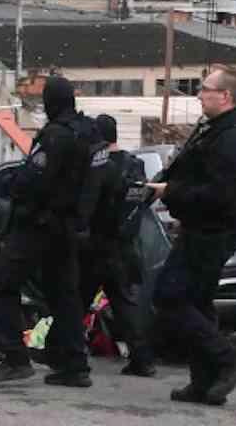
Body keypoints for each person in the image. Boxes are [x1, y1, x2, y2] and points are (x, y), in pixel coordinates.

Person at [148, 67, 236, 406]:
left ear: (225, 96)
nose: (199, 94)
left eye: (205, 89)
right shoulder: (217, 130)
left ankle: (228, 359)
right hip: (203, 228)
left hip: (212, 231)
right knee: (196, 301)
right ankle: (205, 381)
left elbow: (221, 194)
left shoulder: (235, 137)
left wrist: (172, 191)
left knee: (170, 297)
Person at [0, 76, 102, 387]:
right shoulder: (90, 133)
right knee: (65, 296)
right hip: (69, 228)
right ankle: (75, 365)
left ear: (50, 102)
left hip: (38, 225)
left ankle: (15, 358)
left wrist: (17, 191)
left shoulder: (56, 136)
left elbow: (32, 181)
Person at [80, 114, 155, 378]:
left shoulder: (97, 166)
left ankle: (66, 353)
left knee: (75, 301)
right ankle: (142, 359)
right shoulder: (135, 165)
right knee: (125, 304)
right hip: (125, 245)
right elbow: (144, 199)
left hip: (96, 245)